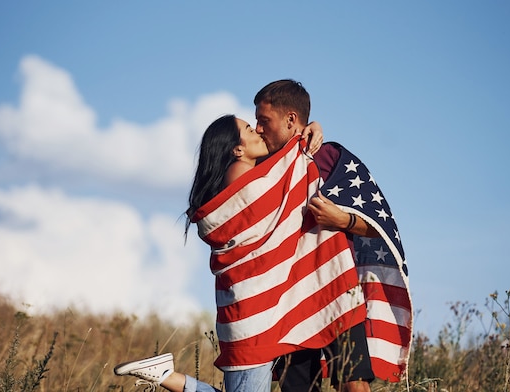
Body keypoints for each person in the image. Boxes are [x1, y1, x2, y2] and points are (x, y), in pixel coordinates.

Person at [114, 113, 325, 392]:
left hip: (248, 308)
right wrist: (299, 139)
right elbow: (278, 195)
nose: (259, 131)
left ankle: (168, 376)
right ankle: (166, 377)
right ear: (237, 149)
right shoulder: (240, 171)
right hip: (252, 311)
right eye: (250, 129)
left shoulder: (245, 171)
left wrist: (309, 129)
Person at [256, 80, 411, 392]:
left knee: (352, 383)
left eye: (264, 120)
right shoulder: (261, 165)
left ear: (290, 119)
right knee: (297, 387)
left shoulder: (330, 158)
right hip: (287, 298)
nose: (258, 129)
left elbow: (380, 226)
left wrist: (342, 219)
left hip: (337, 288)